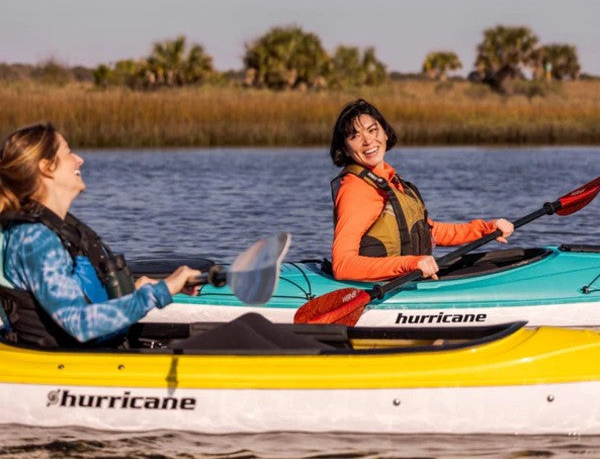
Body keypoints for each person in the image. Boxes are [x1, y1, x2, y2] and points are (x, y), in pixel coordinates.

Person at [0, 122, 331, 352]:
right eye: (69, 152)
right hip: (79, 362)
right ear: (46, 168)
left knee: (253, 324)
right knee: (245, 334)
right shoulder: (34, 239)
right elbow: (79, 324)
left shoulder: (59, 230)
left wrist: (138, 287)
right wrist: (159, 292)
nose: (80, 159)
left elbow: (85, 297)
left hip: (110, 348)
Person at [329, 99, 514, 282]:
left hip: (405, 279)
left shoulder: (390, 181)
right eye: (355, 136)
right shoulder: (356, 189)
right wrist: (411, 264)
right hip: (379, 286)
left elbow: (431, 232)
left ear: (385, 133)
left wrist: (486, 229)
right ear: (345, 149)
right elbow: (342, 265)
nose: (368, 141)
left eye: (372, 130)